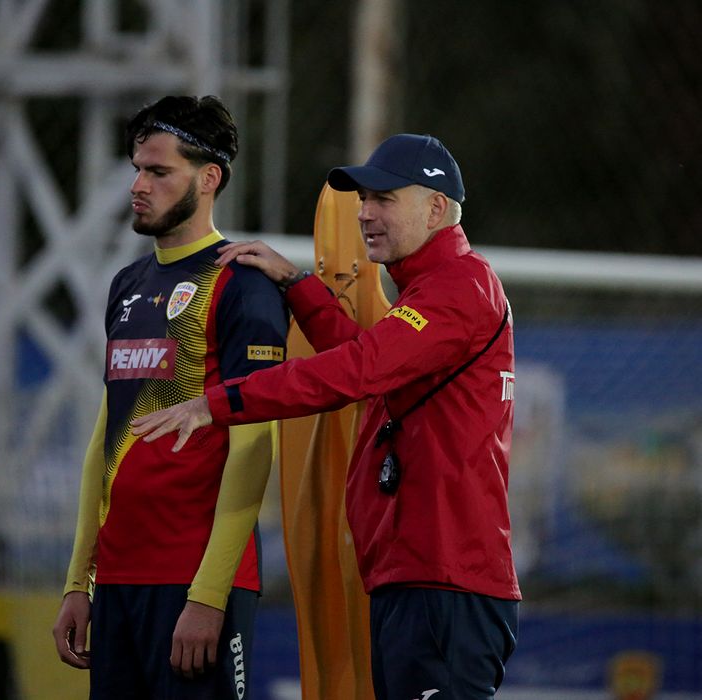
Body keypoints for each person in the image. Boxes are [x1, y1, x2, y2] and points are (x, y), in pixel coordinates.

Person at [132, 133, 521, 698]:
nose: (364, 213)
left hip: (444, 581)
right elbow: (367, 363)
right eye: (363, 199)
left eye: (383, 199)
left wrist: (217, 402)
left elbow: (356, 370)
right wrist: (297, 285)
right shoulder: (437, 289)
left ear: (436, 208)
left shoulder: (459, 286)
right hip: (423, 575)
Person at [51, 95, 288, 700]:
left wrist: (208, 595)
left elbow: (254, 446)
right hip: (119, 582)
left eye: (159, 171)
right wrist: (80, 582)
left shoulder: (243, 285)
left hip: (194, 585)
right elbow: (106, 442)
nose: (138, 185)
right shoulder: (127, 284)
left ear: (209, 179)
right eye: (137, 169)